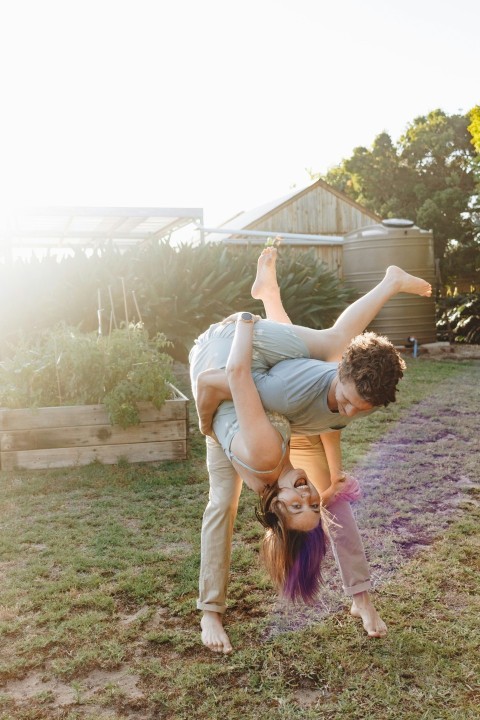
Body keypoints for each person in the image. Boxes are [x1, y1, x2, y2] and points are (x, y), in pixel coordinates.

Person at [190, 247, 432, 652]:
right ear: (339, 374)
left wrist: (334, 476)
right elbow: (218, 382)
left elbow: (331, 422)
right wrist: (206, 429)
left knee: (333, 499)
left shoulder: (351, 398)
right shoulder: (283, 390)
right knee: (221, 503)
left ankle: (362, 600)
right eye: (348, 399)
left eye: (360, 409)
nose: (350, 411)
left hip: (270, 417)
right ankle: (210, 612)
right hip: (226, 358)